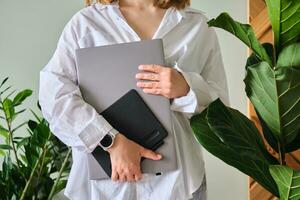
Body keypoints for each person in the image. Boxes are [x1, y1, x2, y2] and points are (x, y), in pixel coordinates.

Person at [39, 0, 229, 199]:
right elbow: (53, 96)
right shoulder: (86, 23)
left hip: (178, 186)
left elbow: (223, 112)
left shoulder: (197, 26)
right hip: (105, 189)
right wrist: (110, 141)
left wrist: (186, 87)